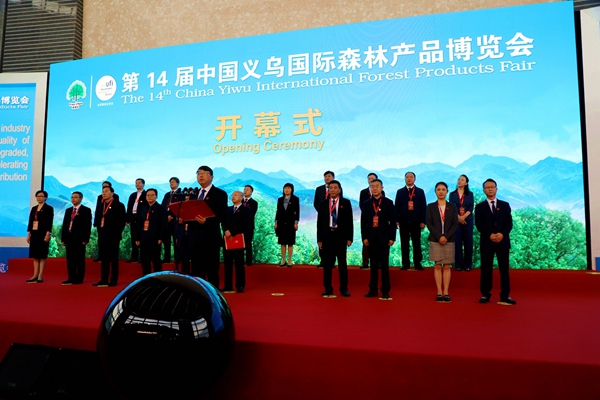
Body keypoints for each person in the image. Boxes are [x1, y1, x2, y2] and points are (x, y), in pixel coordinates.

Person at [475, 178, 516, 305]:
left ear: (496, 189)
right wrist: (490, 235)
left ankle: (505, 295)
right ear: (484, 190)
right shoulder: (480, 207)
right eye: (487, 187)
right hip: (487, 242)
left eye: (492, 187)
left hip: (502, 242)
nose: (490, 189)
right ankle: (485, 294)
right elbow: (479, 225)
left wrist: (502, 234)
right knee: (486, 269)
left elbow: (509, 223)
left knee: (504, 269)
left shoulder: (505, 205)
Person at [188, 166, 228, 288]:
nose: (200, 175)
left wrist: (207, 221)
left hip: (210, 238)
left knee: (212, 271)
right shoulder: (194, 194)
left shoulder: (220, 194)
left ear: (211, 177)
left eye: (204, 173)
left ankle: (212, 296)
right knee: (196, 272)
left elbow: (223, 215)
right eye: (198, 173)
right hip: (195, 238)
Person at [361, 179, 396, 299]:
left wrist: (392, 237)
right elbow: (363, 222)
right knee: (373, 265)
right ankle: (373, 289)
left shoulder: (388, 203)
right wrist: (364, 237)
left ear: (382, 188)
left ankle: (385, 290)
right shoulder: (366, 203)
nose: (375, 188)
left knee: (384, 266)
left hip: (384, 238)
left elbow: (392, 222)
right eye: (372, 186)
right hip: (371, 238)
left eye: (377, 186)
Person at [317, 180, 353, 297]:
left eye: (335, 188)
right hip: (327, 236)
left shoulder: (346, 202)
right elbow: (319, 223)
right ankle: (327, 288)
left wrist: (349, 238)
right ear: (328, 190)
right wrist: (319, 239)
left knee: (342, 264)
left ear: (339, 190)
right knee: (327, 265)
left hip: (340, 236)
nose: (332, 190)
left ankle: (344, 288)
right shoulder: (323, 203)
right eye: (330, 188)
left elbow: (349, 221)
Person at [426, 182, 459, 302]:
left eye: (443, 189)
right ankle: (439, 292)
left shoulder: (453, 206)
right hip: (436, 240)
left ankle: (446, 292)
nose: (441, 191)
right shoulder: (430, 206)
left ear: (447, 191)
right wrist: (439, 236)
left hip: (449, 240)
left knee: (447, 266)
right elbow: (429, 223)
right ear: (435, 192)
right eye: (438, 189)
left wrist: (446, 236)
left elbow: (455, 223)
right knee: (438, 265)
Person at [93, 186, 126, 287]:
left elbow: (121, 222)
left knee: (113, 259)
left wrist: (116, 233)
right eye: (103, 191)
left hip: (113, 236)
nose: (104, 193)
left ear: (112, 193)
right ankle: (104, 279)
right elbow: (98, 220)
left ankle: (113, 279)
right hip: (102, 236)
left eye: (106, 191)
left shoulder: (119, 205)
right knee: (104, 258)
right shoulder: (100, 205)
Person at [395, 171, 427, 270]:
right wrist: (397, 220)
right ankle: (405, 264)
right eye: (407, 177)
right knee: (404, 244)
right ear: (405, 179)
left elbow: (424, 207)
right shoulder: (400, 192)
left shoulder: (420, 191)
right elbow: (396, 207)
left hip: (416, 222)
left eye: (411, 177)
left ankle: (417, 263)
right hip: (403, 222)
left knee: (416, 243)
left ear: (415, 179)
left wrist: (423, 221)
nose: (409, 178)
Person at [222, 190, 252, 293]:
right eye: (232, 195)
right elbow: (223, 221)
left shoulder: (246, 210)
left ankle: (240, 285)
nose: (233, 197)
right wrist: (226, 230)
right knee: (227, 263)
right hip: (227, 238)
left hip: (238, 238)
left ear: (241, 197)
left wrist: (232, 232)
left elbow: (245, 223)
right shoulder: (227, 209)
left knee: (239, 263)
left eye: (235, 195)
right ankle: (228, 285)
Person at [60, 191, 92, 285]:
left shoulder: (86, 210)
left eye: (75, 197)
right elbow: (65, 225)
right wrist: (63, 238)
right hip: (69, 237)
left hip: (79, 238)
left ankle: (79, 278)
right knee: (70, 259)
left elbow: (87, 226)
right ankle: (71, 277)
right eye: (72, 197)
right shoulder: (68, 210)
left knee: (79, 259)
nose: (73, 199)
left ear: (81, 198)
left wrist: (85, 239)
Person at [135, 188, 168, 276]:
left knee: (156, 260)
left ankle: (158, 278)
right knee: (144, 260)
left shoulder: (161, 208)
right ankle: (146, 278)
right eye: (148, 195)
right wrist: (137, 237)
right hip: (144, 237)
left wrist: (161, 237)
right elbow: (139, 224)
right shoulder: (143, 208)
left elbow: (164, 224)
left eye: (152, 195)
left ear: (156, 196)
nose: (149, 197)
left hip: (155, 238)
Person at [313, 171, 342, 268]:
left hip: (334, 217)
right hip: (323, 217)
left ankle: (332, 261)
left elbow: (340, 201)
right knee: (322, 237)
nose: (327, 178)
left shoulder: (338, 188)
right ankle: (323, 261)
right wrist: (323, 211)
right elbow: (316, 202)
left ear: (333, 177)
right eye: (325, 176)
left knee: (333, 240)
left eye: (329, 176)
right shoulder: (319, 189)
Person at [26, 190, 54, 283]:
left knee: (42, 255)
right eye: (37, 196)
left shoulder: (49, 208)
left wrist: (47, 234)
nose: (39, 198)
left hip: (43, 234)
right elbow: (30, 222)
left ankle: (40, 275)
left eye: (41, 196)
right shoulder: (34, 208)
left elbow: (49, 222)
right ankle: (35, 274)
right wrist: (29, 234)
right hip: (34, 234)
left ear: (45, 198)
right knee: (35, 255)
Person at [358, 172, 385, 270]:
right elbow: (362, 205)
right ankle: (365, 262)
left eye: (372, 178)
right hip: (368, 221)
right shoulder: (363, 192)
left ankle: (379, 263)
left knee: (379, 243)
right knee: (366, 243)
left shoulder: (381, 192)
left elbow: (382, 204)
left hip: (379, 221)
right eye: (369, 178)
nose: (370, 180)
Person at [449, 174, 474, 271]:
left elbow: (471, 207)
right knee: (457, 242)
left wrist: (463, 217)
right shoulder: (452, 194)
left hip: (468, 220)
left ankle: (468, 265)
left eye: (462, 180)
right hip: (456, 220)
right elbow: (452, 207)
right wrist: (459, 218)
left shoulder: (470, 194)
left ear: (466, 183)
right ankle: (459, 264)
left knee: (468, 242)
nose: (459, 181)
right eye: (459, 179)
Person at [93, 181, 119, 262]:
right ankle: (101, 256)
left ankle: (110, 257)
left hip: (111, 224)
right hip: (101, 222)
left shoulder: (116, 197)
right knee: (100, 240)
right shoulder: (99, 197)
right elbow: (97, 209)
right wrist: (96, 221)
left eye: (106, 187)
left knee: (111, 242)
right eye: (103, 187)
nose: (104, 188)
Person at [275, 183, 300, 267]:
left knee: (290, 242)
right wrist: (276, 222)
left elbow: (297, 211)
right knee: (282, 242)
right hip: (281, 223)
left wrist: (296, 223)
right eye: (285, 188)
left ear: (292, 190)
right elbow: (278, 212)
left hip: (291, 223)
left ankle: (289, 260)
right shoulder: (280, 199)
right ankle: (283, 260)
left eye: (289, 188)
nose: (287, 190)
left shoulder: (295, 199)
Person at [126, 178, 146, 263]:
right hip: (133, 217)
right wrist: (127, 219)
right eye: (136, 183)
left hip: (142, 218)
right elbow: (129, 207)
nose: (137, 184)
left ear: (143, 184)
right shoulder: (133, 195)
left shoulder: (145, 194)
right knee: (133, 237)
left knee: (142, 237)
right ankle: (134, 256)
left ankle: (142, 256)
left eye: (139, 183)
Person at [160, 177, 180, 264]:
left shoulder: (180, 194)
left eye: (173, 182)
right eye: (170, 182)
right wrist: (165, 215)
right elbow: (163, 206)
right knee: (166, 240)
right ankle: (166, 258)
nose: (172, 183)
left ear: (178, 184)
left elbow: (180, 207)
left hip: (175, 220)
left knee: (176, 240)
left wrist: (172, 215)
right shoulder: (167, 194)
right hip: (166, 220)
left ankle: (177, 258)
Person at [242, 184, 259, 266]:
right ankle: (240, 260)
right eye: (244, 189)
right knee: (239, 244)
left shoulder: (254, 203)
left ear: (251, 192)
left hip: (249, 226)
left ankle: (249, 261)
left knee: (248, 243)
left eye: (247, 189)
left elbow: (251, 214)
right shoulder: (240, 201)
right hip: (239, 226)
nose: (245, 191)